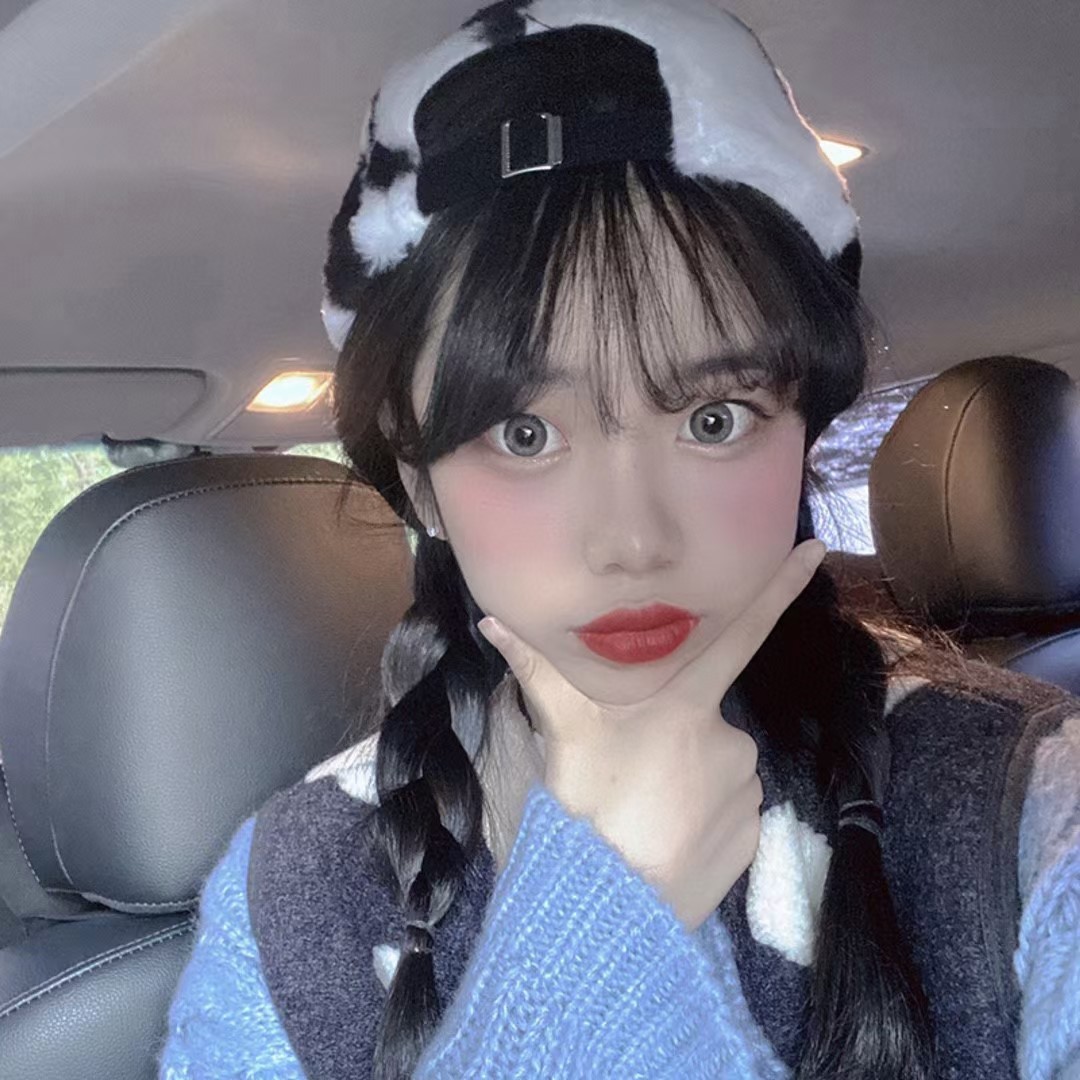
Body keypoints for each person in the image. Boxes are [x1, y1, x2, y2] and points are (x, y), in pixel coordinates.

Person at [158, 2, 1080, 1077]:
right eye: (525, 433)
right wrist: (600, 929)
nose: (635, 541)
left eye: (714, 419)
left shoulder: (1028, 808)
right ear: (419, 484)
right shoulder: (291, 897)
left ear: (803, 435)